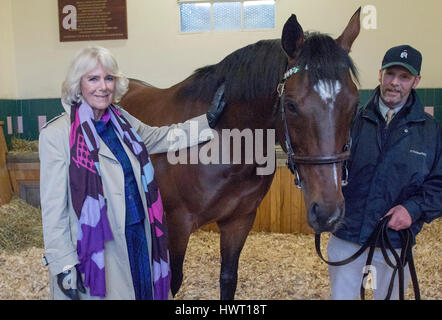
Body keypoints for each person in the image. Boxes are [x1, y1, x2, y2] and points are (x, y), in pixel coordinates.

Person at [39, 46, 226, 300]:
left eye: (109, 78)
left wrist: (209, 120)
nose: (102, 87)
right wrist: (63, 264)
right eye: (93, 79)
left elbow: (163, 137)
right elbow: (53, 209)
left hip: (139, 236)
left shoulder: (122, 121)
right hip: (98, 249)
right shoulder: (57, 136)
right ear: (77, 84)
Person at [327, 45, 442, 299]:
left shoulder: (432, 132)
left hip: (394, 243)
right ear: (380, 75)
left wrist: (413, 209)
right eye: (390, 74)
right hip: (347, 237)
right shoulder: (351, 122)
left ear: (416, 81)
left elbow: (439, 185)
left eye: (404, 77)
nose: (394, 83)